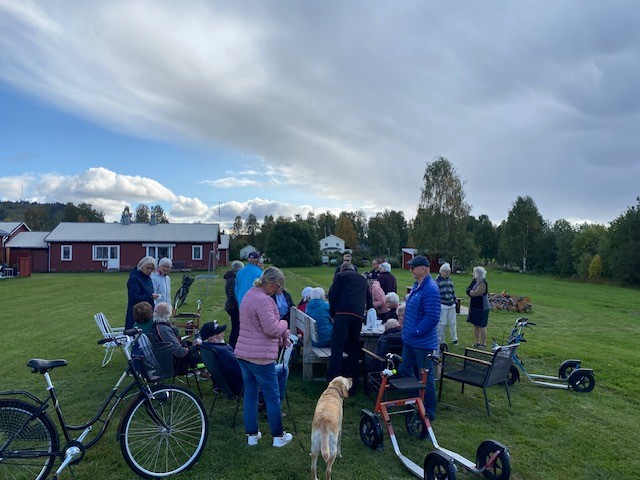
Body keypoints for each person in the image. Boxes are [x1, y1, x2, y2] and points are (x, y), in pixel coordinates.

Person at [234, 266, 293, 448]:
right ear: (272, 283)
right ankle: (278, 436)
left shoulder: (249, 295)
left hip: (244, 354)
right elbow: (272, 329)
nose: (278, 291)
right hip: (261, 357)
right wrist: (284, 323)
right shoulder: (263, 300)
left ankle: (252, 435)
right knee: (272, 397)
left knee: (250, 395)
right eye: (278, 287)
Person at [200, 320, 289, 401]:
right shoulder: (222, 351)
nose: (223, 334)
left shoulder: (206, 348)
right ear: (211, 339)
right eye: (219, 333)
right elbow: (241, 369)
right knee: (283, 368)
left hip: (226, 384)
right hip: (245, 383)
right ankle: (270, 400)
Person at [399, 255, 440, 420]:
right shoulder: (418, 285)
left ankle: (429, 412)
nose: (411, 271)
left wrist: (416, 331)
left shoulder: (430, 288)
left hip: (422, 343)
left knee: (426, 378)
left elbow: (432, 317)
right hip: (410, 341)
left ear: (424, 268)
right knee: (403, 370)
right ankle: (416, 400)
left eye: (413, 267)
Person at [328, 263, 373, 395]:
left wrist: (332, 313)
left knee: (337, 348)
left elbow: (332, 294)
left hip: (342, 314)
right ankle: (352, 383)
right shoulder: (362, 279)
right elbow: (369, 299)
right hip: (357, 316)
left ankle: (333, 382)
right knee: (353, 348)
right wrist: (366, 315)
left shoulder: (340, 276)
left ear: (342, 269)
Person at [150, 302, 202, 373]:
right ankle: (205, 373)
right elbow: (180, 353)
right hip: (176, 364)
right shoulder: (164, 330)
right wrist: (196, 346)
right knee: (207, 352)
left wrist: (191, 343)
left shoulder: (155, 327)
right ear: (167, 316)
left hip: (165, 360)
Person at [125, 256, 159, 329]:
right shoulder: (134, 279)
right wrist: (150, 297)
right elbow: (133, 297)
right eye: (147, 268)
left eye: (152, 269)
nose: (150, 270)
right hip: (137, 313)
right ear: (141, 266)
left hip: (148, 312)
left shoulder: (148, 278)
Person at [466, 266, 490, 348]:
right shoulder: (474, 281)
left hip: (482, 307)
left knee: (482, 325)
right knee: (475, 325)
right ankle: (477, 342)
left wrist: (470, 291)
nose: (473, 274)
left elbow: (475, 293)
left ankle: (483, 343)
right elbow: (468, 290)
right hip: (474, 306)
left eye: (474, 272)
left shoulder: (483, 283)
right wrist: (470, 291)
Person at [436, 263, 458, 346]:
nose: (447, 273)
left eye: (448, 272)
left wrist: (454, 299)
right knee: (442, 323)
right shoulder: (437, 281)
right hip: (443, 305)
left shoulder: (450, 280)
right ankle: (441, 340)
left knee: (453, 323)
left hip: (451, 304)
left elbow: (453, 291)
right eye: (446, 272)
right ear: (441, 271)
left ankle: (454, 338)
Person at [224, 260, 244, 348]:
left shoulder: (232, 278)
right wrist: (239, 306)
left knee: (236, 326)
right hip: (233, 307)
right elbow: (232, 296)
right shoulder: (232, 279)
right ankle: (233, 345)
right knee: (236, 327)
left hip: (232, 307)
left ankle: (235, 344)